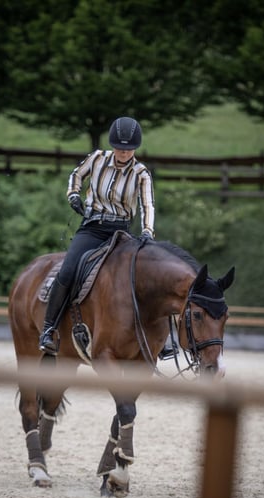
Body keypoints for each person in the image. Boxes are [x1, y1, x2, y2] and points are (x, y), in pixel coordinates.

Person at [39, 116, 155, 355]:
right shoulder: (97, 158)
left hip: (121, 232)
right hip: (92, 227)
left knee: (147, 277)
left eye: (128, 149)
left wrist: (147, 231)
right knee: (68, 270)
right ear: (113, 145)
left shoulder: (141, 173)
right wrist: (73, 194)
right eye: (120, 148)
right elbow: (76, 175)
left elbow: (148, 204)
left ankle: (162, 339)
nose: (123, 152)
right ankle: (49, 329)